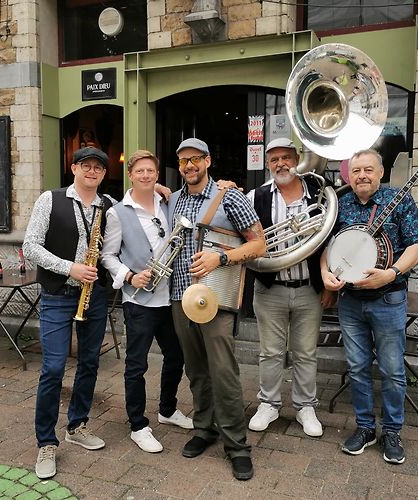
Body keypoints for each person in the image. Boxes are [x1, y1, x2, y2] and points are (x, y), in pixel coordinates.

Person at [320, 149, 418, 464]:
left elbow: (417, 245)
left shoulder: (398, 199)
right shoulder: (341, 205)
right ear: (348, 175)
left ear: (380, 173)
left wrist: (391, 274)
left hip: (389, 298)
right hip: (351, 301)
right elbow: (326, 247)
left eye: (368, 169)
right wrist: (325, 273)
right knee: (356, 368)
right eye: (356, 171)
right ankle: (365, 428)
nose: (362, 176)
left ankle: (392, 432)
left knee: (393, 371)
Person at [168, 138, 265, 481]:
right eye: (183, 161)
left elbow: (259, 244)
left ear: (208, 160)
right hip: (180, 298)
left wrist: (220, 257)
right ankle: (204, 428)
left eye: (195, 159)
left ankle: (237, 446)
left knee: (223, 372)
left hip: (216, 300)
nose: (189, 166)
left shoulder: (230, 196)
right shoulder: (174, 199)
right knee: (196, 370)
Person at [23, 147, 115, 479]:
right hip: (58, 295)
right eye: (86, 166)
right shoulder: (51, 198)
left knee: (90, 363)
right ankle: (46, 442)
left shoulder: (110, 205)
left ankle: (76, 426)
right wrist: (70, 268)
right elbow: (30, 245)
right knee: (53, 368)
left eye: (98, 168)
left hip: (95, 297)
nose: (92, 171)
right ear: (74, 168)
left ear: (104, 174)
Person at [101, 149, 192, 454]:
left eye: (150, 171)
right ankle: (138, 425)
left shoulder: (167, 202)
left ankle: (167, 410)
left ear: (157, 174)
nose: (145, 176)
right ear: (131, 175)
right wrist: (129, 276)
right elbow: (108, 256)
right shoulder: (117, 213)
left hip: (170, 297)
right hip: (139, 301)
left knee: (176, 356)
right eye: (139, 171)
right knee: (136, 365)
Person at [246, 137, 334, 437]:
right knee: (270, 352)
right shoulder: (253, 196)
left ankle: (305, 406)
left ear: (297, 158)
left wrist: (328, 284)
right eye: (274, 159)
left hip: (309, 287)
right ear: (267, 163)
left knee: (306, 352)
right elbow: (234, 231)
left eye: (286, 157)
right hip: (270, 288)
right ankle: (268, 404)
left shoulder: (318, 194)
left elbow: (327, 241)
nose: (280, 164)